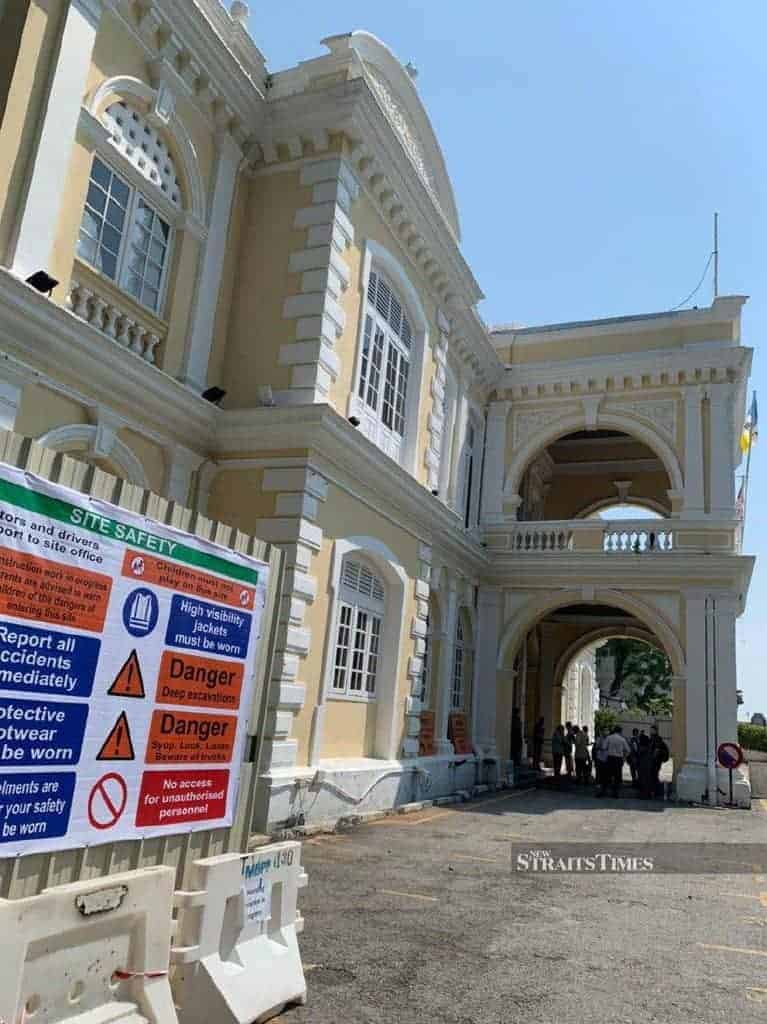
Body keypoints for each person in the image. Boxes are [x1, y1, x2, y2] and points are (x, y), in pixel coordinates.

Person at [601, 726, 632, 798]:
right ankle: (615, 793)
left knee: (607, 775)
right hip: (618, 759)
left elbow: (604, 747)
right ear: (620, 731)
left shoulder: (609, 737)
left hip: (610, 758)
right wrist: (624, 758)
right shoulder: (622, 739)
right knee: (617, 776)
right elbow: (628, 750)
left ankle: (604, 791)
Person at [649, 725, 670, 797]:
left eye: (652, 730)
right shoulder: (653, 738)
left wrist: (652, 758)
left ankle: (657, 792)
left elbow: (657, 750)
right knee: (653, 775)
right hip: (655, 760)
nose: (651, 731)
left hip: (656, 761)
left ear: (655, 730)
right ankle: (655, 791)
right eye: (651, 730)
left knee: (654, 775)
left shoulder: (657, 738)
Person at [637, 734, 655, 799]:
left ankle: (644, 794)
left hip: (642, 765)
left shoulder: (642, 747)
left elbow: (639, 753)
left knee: (643, 780)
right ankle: (648, 794)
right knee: (647, 779)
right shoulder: (649, 746)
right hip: (648, 764)